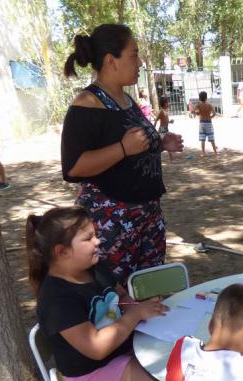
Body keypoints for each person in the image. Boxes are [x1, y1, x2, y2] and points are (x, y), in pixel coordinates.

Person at [60, 24, 184, 284]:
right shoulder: (87, 104)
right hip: (113, 223)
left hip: (146, 216)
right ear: (110, 61)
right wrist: (123, 148)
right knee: (119, 298)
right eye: (134, 55)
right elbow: (73, 168)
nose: (139, 62)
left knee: (148, 290)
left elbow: (134, 147)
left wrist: (160, 143)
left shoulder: (126, 100)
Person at [26, 206, 168, 381]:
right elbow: (97, 348)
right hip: (93, 373)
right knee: (175, 380)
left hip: (122, 348)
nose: (98, 241)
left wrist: (137, 308)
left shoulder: (95, 268)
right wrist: (134, 315)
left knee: (179, 359)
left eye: (95, 235)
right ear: (62, 251)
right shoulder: (56, 300)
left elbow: (121, 295)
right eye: (88, 238)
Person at [154, 96, 179, 162]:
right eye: (167, 102)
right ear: (164, 103)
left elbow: (165, 120)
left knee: (167, 144)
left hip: (166, 129)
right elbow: (156, 120)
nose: (169, 103)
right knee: (162, 144)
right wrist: (153, 129)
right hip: (162, 130)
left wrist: (170, 121)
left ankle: (171, 160)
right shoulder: (161, 111)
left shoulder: (165, 110)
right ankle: (156, 158)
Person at [193, 91, 217, 157]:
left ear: (199, 98)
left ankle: (203, 153)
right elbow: (214, 114)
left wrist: (197, 113)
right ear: (206, 97)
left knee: (202, 139)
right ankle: (215, 152)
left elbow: (192, 111)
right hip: (208, 122)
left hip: (202, 123)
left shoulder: (198, 105)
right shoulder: (210, 105)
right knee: (212, 138)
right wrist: (210, 117)